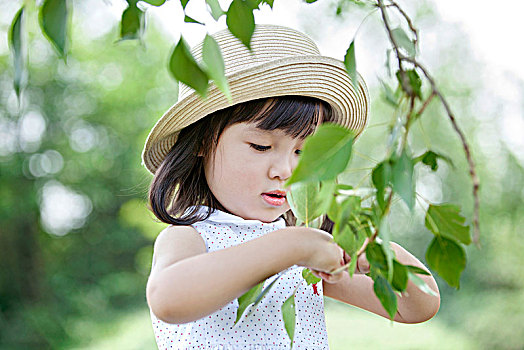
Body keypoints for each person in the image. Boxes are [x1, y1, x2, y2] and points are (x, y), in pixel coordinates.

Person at [142, 25, 440, 350]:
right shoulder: (192, 237)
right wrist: (292, 246)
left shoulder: (306, 253)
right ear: (201, 140)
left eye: (304, 152)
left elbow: (417, 305)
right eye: (260, 146)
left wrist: (376, 251)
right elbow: (168, 299)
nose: (285, 170)